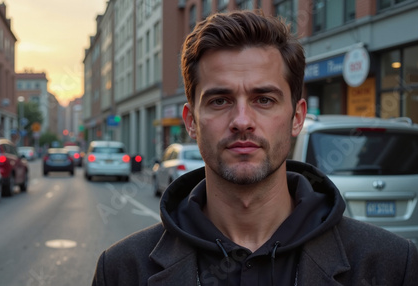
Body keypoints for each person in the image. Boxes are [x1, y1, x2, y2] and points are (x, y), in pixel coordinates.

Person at [92, 10, 418, 286]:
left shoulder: (392, 266)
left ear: (296, 117)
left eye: (264, 99)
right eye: (220, 100)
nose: (242, 120)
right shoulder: (122, 270)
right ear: (191, 121)